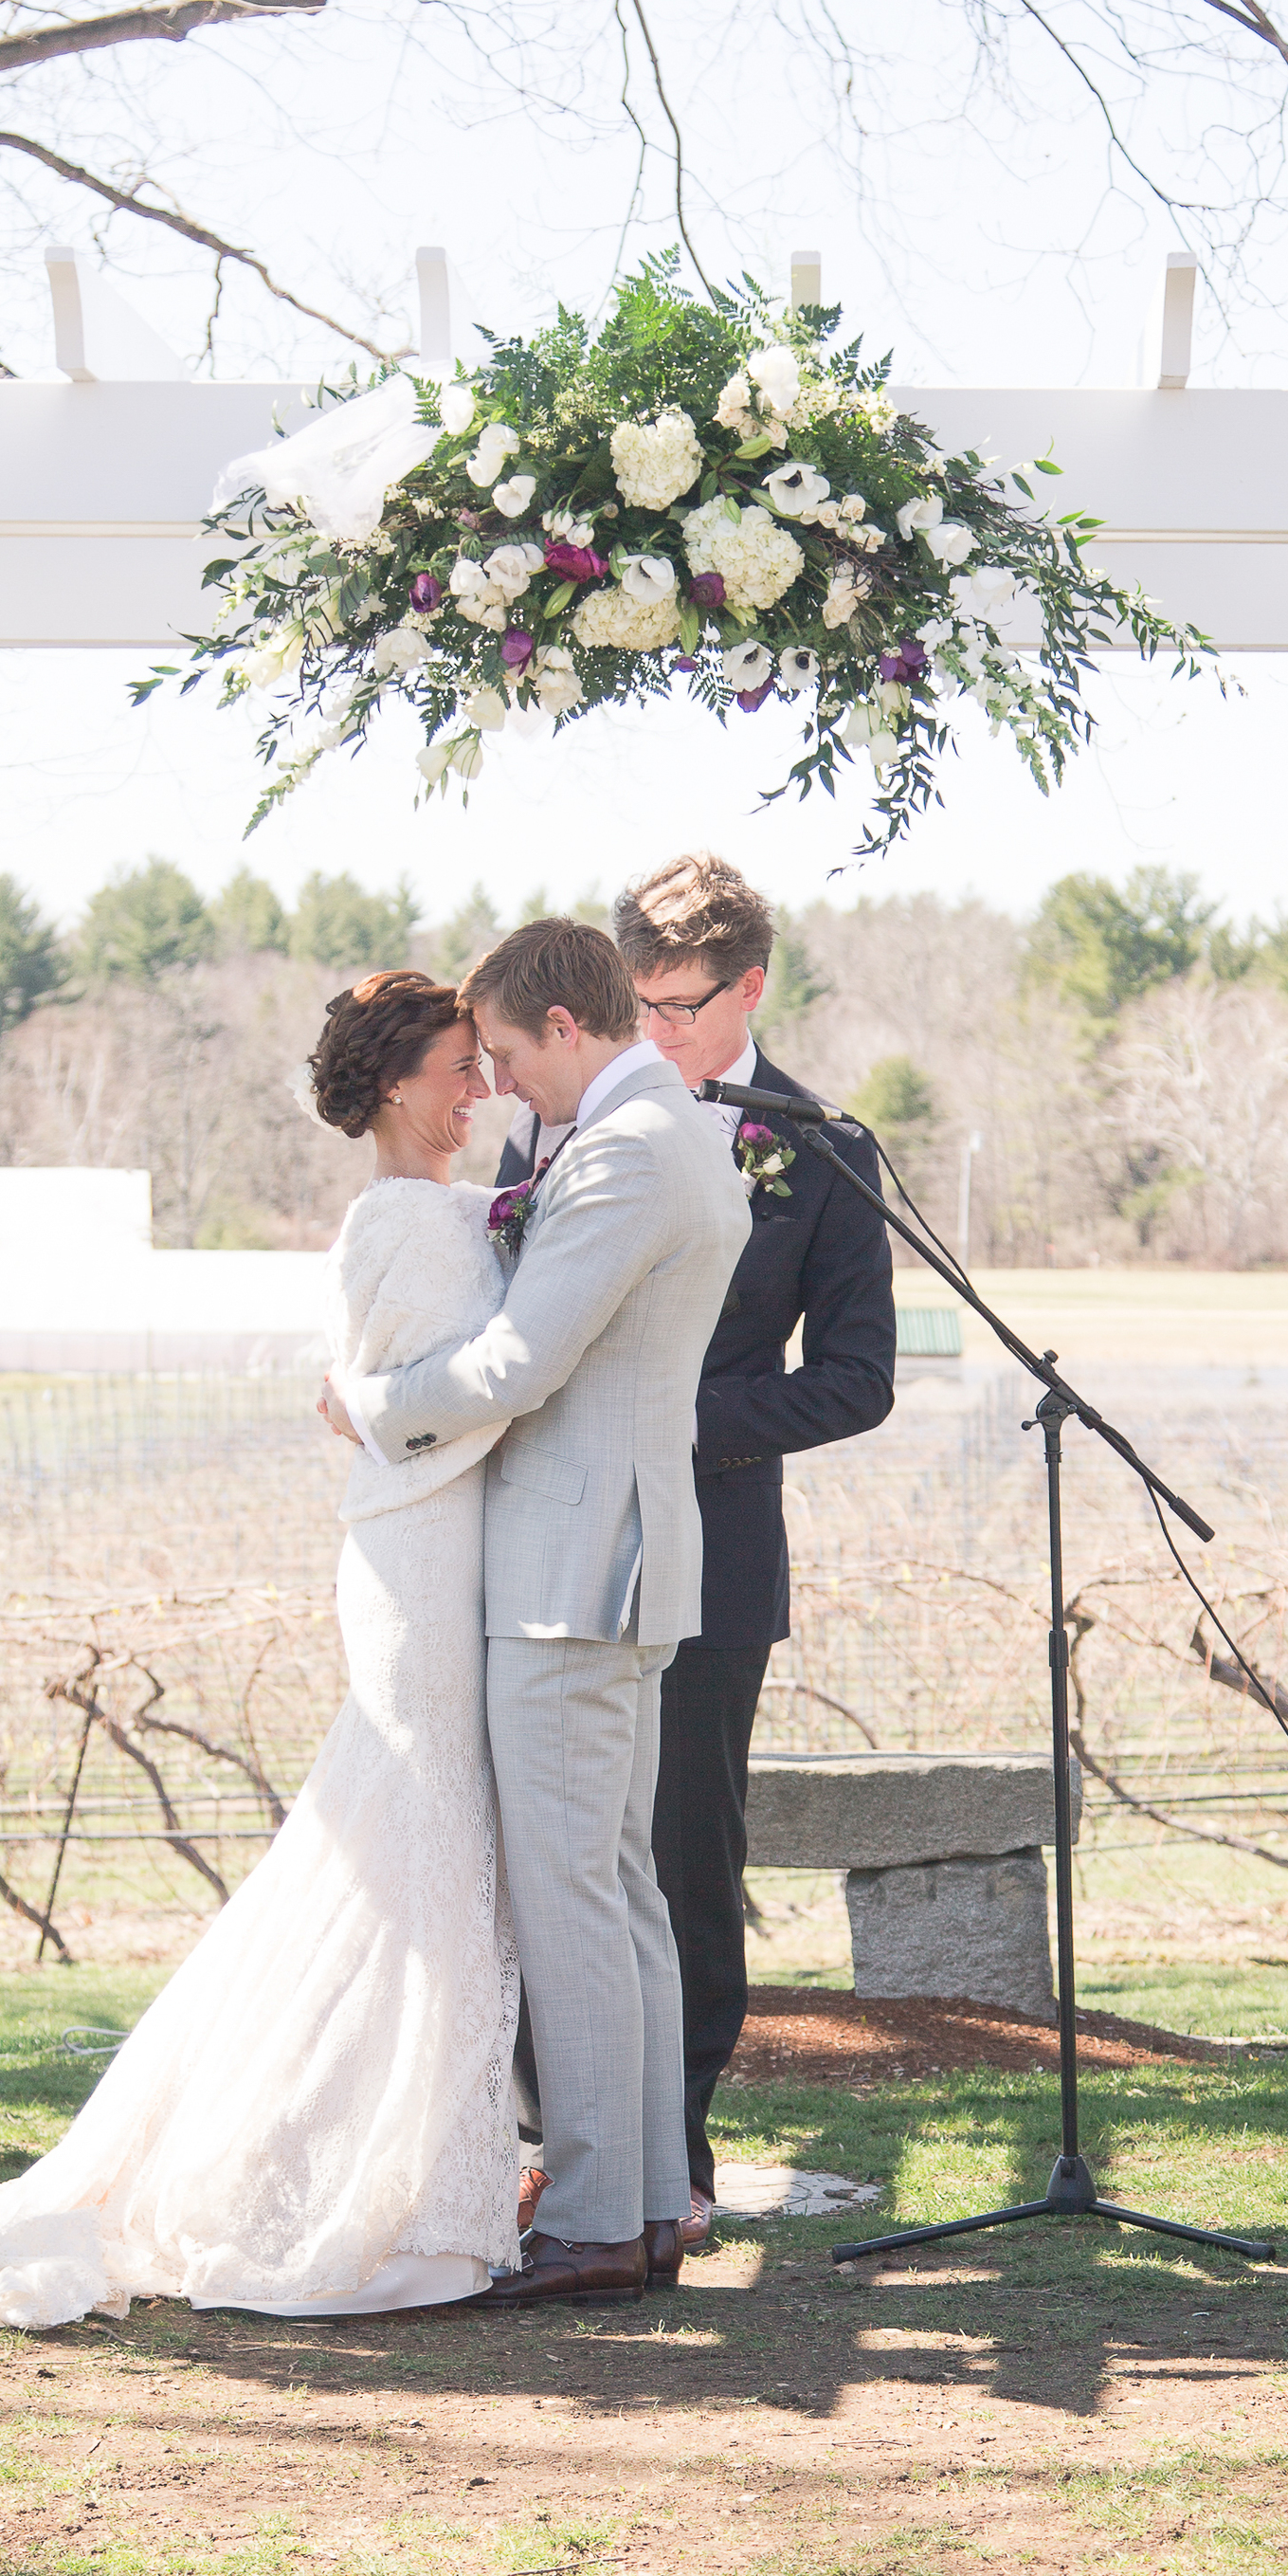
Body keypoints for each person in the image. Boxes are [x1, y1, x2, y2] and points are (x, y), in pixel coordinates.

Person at [0, 968, 520, 2329]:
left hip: (438, 1551)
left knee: (401, 1853)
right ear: (397, 1084)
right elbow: (458, 1402)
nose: (478, 1085)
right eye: (457, 1063)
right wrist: (425, 1397)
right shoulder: (409, 1224)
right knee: (422, 1851)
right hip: (424, 1558)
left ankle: (403, 2161)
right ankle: (384, 2181)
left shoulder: (442, 1213)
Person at [326, 916, 752, 2307]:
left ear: (568, 1027)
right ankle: (634, 2205)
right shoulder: (674, 1128)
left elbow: (516, 1358)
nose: (500, 1084)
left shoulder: (629, 1148)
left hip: (574, 1576)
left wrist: (371, 1408)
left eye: (505, 1053)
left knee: (577, 1898)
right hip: (622, 1562)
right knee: (621, 1896)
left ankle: (590, 2218)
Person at [495, 857, 896, 2244]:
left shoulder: (820, 1146)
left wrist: (682, 1420)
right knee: (553, 1848)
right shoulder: (559, 1127)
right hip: (552, 1553)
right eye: (637, 1004)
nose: (654, 1035)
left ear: (751, 988)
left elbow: (856, 1381)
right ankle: (562, 2139)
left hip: (714, 1550)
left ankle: (678, 2153)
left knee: (680, 1856)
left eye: (679, 1007)